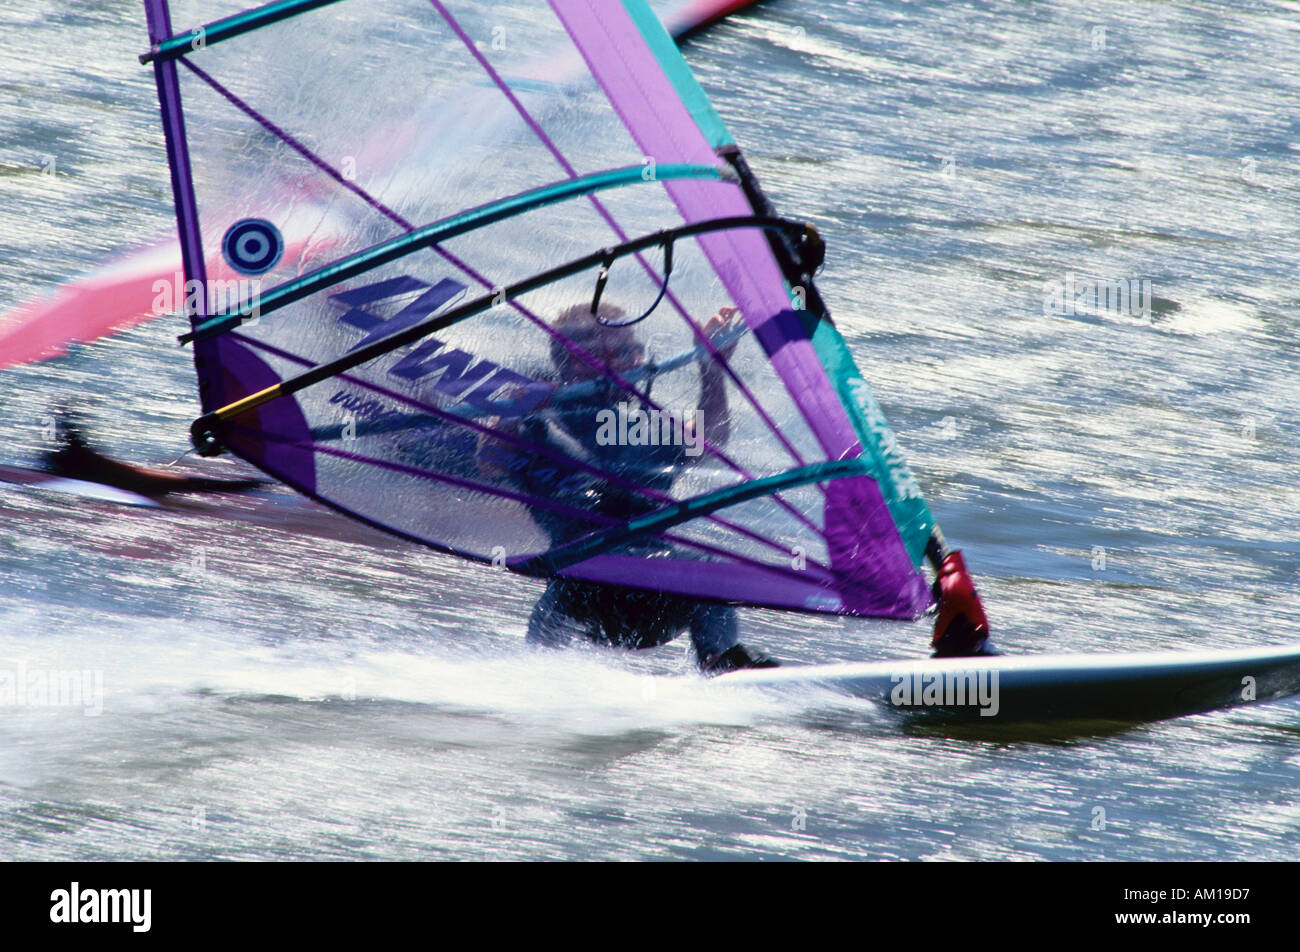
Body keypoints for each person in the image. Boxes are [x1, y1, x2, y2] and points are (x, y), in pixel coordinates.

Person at [479, 302, 778, 674]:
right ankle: (533, 677)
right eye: (624, 351)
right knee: (562, 594)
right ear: (578, 361)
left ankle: (718, 663)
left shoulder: (645, 424)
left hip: (656, 591)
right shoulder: (541, 423)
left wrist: (712, 369)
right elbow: (490, 461)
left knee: (709, 573)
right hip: (581, 595)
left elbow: (709, 442)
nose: (638, 358)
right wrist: (512, 412)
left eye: (636, 348)